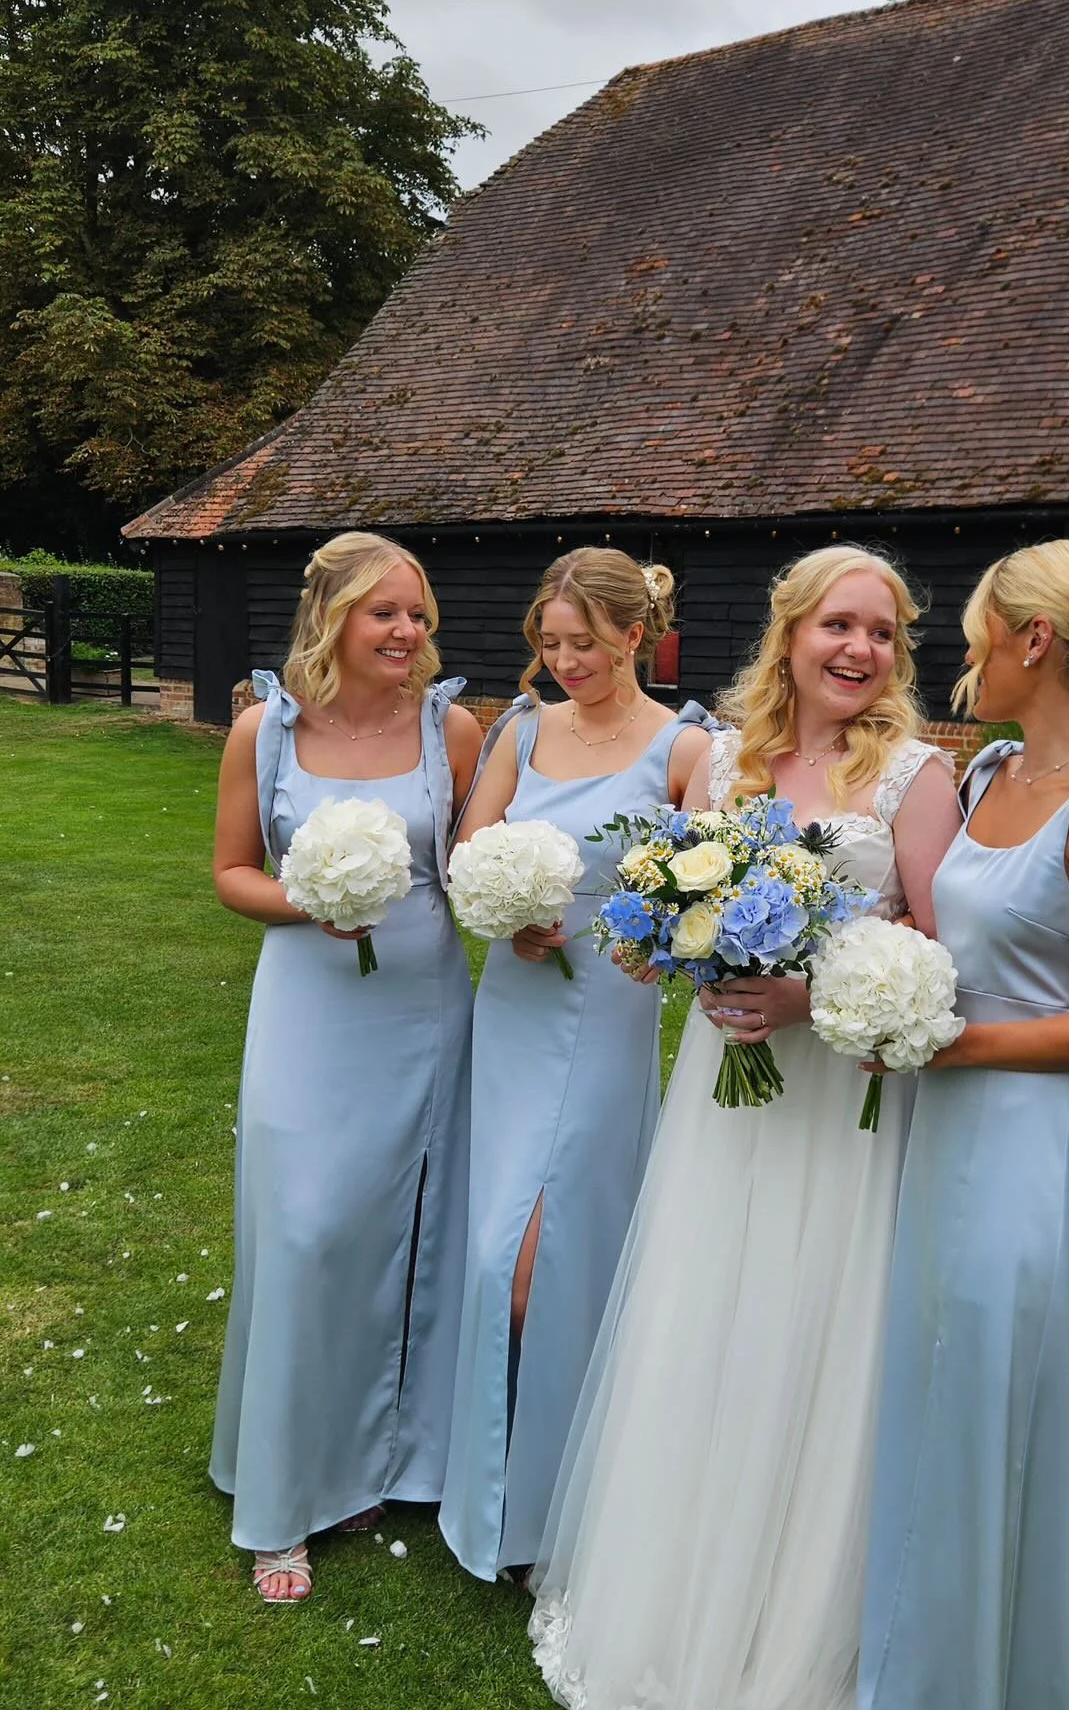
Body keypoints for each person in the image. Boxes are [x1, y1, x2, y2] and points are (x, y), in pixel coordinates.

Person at [528, 544, 962, 1710]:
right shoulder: (725, 761)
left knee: (818, 1322)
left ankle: (799, 1602)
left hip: (843, 1106)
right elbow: (657, 907)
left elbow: (936, 950)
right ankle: (677, 1579)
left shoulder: (919, 777)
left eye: (880, 631)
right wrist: (662, 941)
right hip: (723, 1101)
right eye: (837, 626)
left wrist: (811, 999)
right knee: (708, 1311)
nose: (859, 650)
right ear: (790, 634)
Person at [857, 539, 1069, 1710]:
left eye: (975, 634)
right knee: (931, 1386)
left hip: (1028, 1146)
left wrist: (955, 1043)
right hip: (937, 1129)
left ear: (1031, 640)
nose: (961, 661)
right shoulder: (988, 775)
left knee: (992, 1389)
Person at [210, 531, 483, 1602]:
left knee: (407, 1226)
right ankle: (282, 1491)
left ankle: (383, 1459)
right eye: (386, 613)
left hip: (422, 1009)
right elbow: (232, 872)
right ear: (332, 617)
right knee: (306, 1227)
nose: (409, 632)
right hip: (307, 1011)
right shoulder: (261, 731)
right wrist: (304, 899)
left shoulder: (450, 727)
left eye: (418, 613)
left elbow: (473, 863)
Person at [439, 548, 713, 1582]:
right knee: (494, 1257)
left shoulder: (687, 746)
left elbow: (711, 887)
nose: (565, 663)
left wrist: (656, 934)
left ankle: (559, 1508)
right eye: (550, 644)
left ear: (635, 635)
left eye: (585, 644)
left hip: (607, 1011)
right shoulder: (521, 728)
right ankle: (494, 1492)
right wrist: (505, 915)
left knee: (548, 1262)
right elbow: (473, 852)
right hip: (513, 1006)